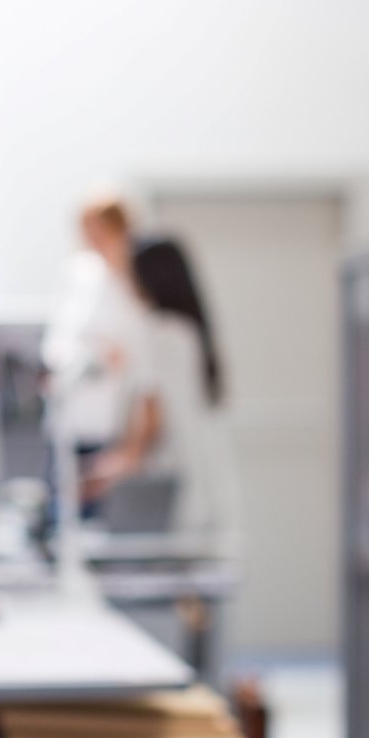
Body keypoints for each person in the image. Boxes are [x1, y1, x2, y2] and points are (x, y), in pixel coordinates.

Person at [85, 234, 241, 552]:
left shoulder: (153, 330)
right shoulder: (189, 328)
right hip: (207, 484)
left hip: (169, 495)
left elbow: (151, 418)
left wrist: (108, 469)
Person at [40, 197, 151, 511]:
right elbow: (58, 341)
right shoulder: (80, 274)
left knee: (108, 511)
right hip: (74, 415)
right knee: (66, 507)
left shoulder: (134, 279)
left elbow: (141, 353)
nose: (92, 237)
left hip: (116, 421)